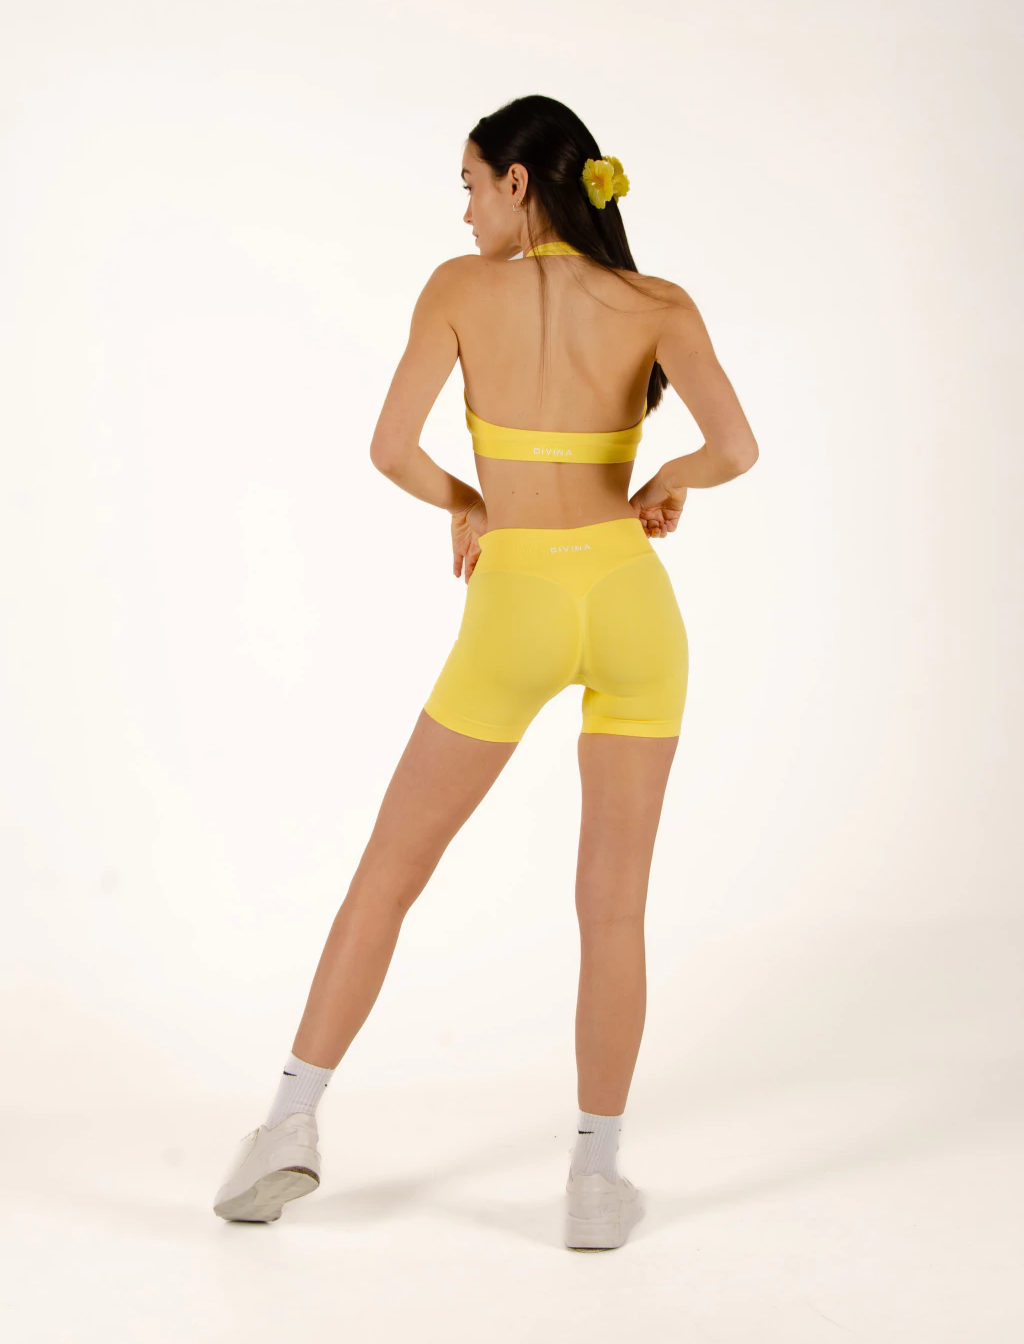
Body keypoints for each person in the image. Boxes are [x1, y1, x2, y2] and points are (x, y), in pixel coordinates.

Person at [213, 94, 759, 1249]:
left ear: (519, 182)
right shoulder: (658, 303)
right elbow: (736, 448)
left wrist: (469, 499)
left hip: (515, 603)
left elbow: (389, 449)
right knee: (613, 909)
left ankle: (289, 1124)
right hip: (632, 605)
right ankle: (595, 1180)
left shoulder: (459, 291)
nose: (463, 212)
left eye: (469, 184)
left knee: (387, 874)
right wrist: (669, 478)